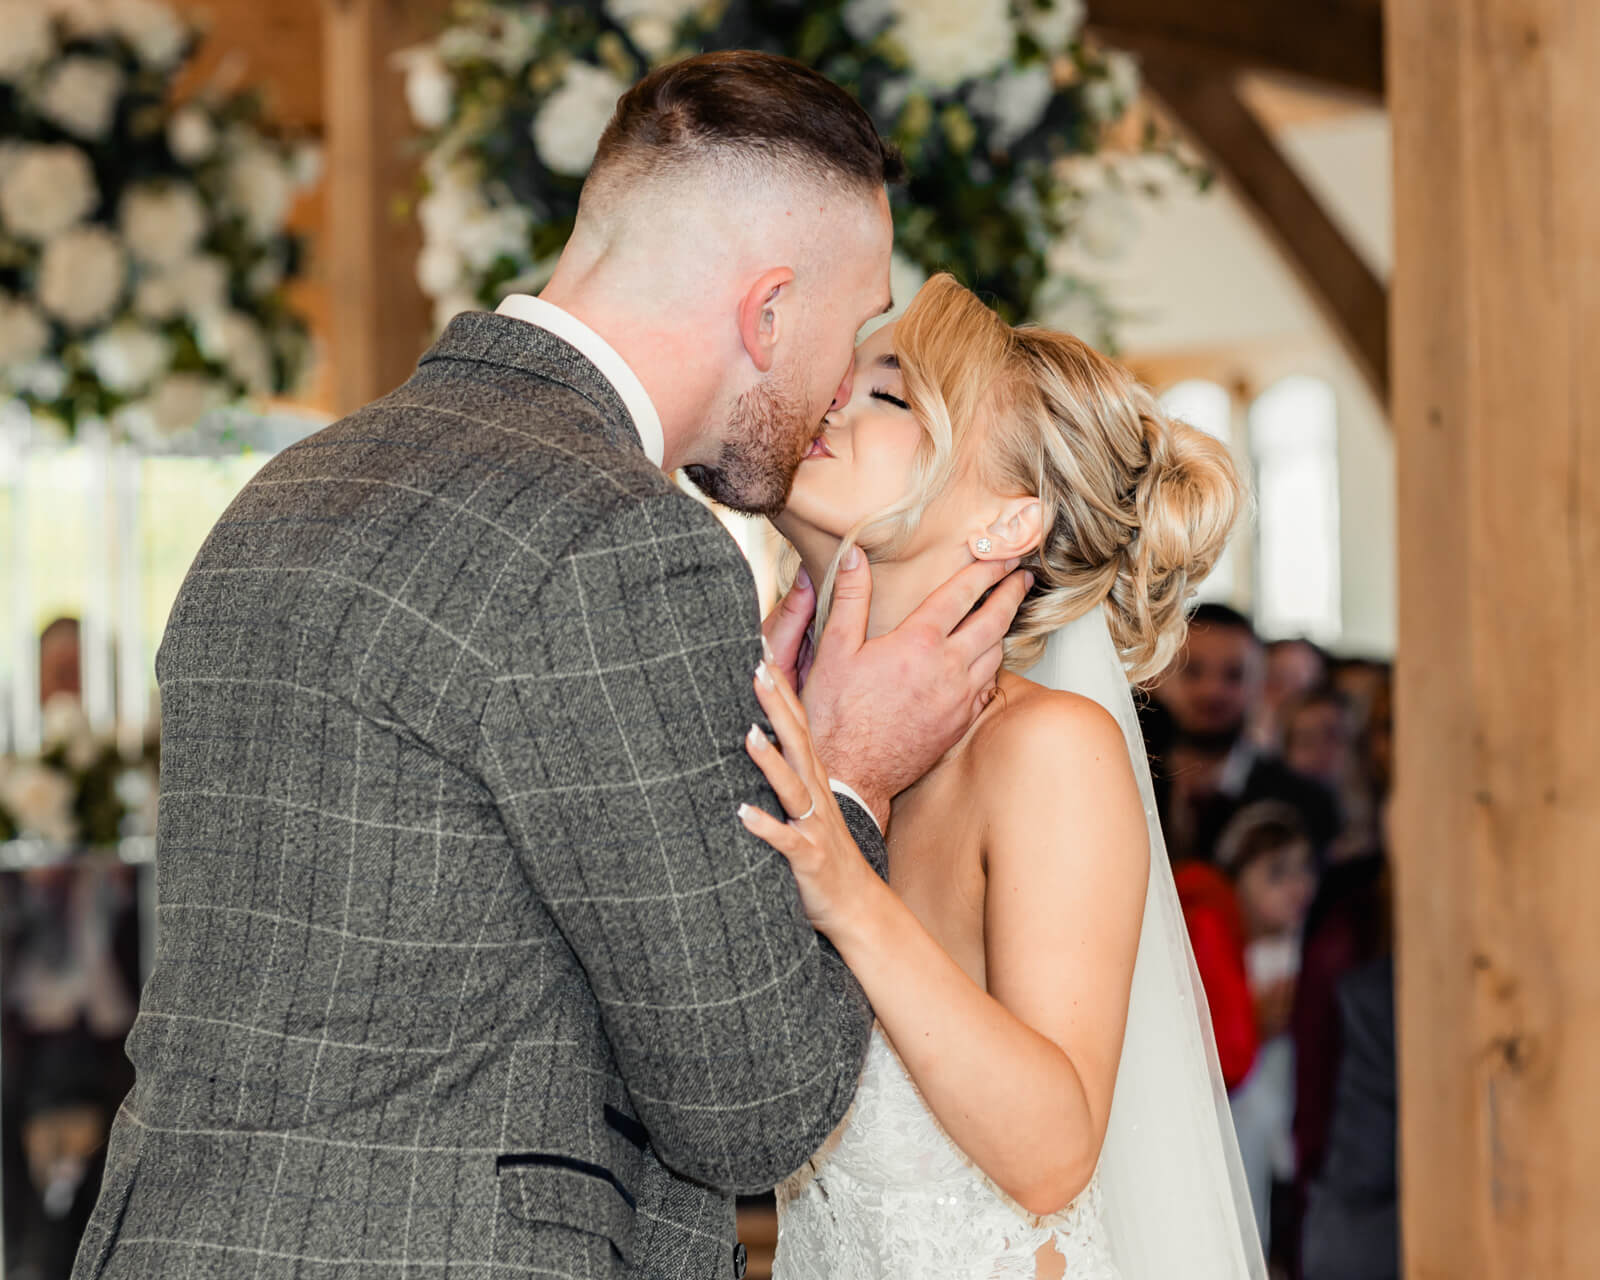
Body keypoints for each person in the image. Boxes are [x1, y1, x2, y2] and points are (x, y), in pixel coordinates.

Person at [73, 54, 1031, 1280]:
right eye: (850, 335)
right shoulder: (621, 540)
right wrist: (848, 779)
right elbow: (752, 1099)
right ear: (769, 311)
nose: (843, 386)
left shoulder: (292, 487)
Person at [740, 274, 1266, 1278]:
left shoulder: (1045, 747)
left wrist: (846, 878)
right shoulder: (781, 718)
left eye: (888, 398)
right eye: (845, 381)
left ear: (1009, 524)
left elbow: (1053, 1151)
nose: (831, 403)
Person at [1152, 605, 1340, 863]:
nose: (1212, 690)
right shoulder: (1123, 786)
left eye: (1234, 675)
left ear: (1259, 684)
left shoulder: (1304, 805)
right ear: (1159, 678)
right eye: (1191, 671)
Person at [1214, 803, 1318, 1260]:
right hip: (1243, 1127)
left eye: (1303, 869)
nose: (1298, 887)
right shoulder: (1226, 961)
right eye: (1277, 874)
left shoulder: (1310, 954)